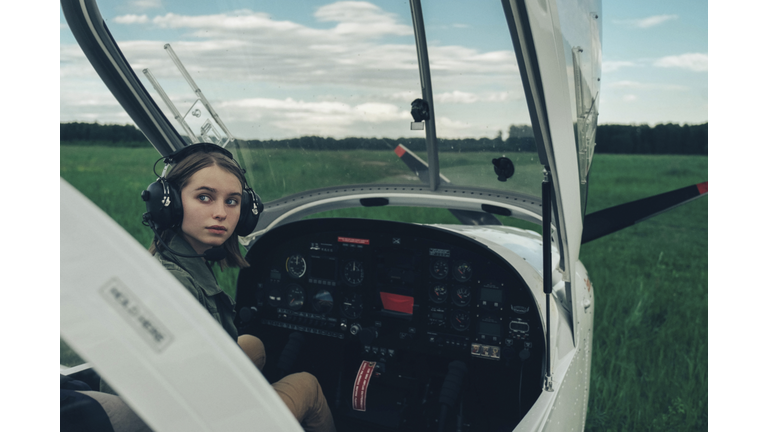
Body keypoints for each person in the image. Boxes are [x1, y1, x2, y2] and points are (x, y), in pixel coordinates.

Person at [145, 143, 336, 432]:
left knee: (253, 345)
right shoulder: (177, 287)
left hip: (174, 399)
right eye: (205, 197)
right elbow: (195, 394)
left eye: (232, 201)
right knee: (306, 384)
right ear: (169, 203)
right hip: (188, 418)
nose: (221, 213)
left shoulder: (173, 260)